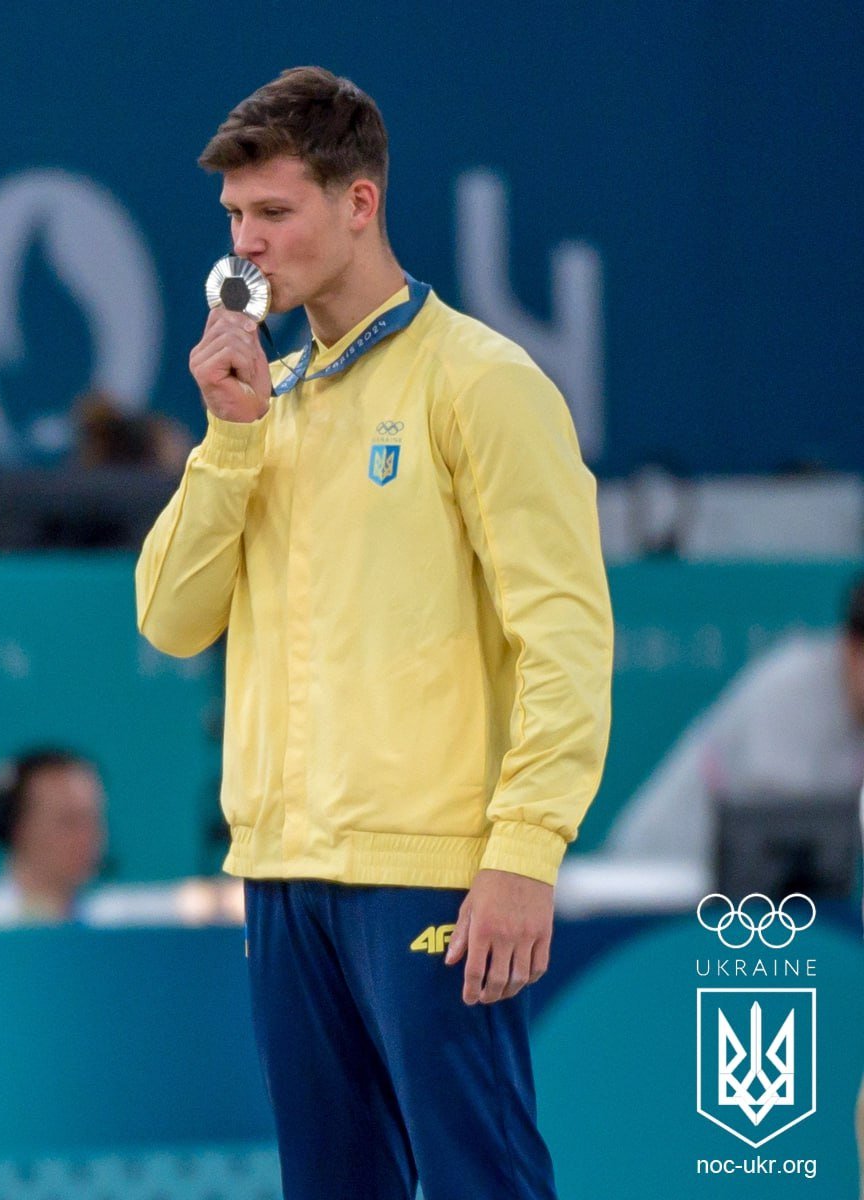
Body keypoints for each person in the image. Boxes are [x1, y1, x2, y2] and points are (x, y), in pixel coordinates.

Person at [135, 67, 612, 1200]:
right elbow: (170, 617)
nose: (247, 247)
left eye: (275, 213)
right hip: (283, 877)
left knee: (480, 1179)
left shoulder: (483, 385)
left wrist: (524, 854)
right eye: (235, 221)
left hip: (430, 877)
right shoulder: (268, 404)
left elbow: (567, 640)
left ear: (361, 203)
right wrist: (230, 438)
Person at [602, 576, 864, 872]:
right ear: (853, 649)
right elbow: (782, 842)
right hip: (651, 877)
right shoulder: (788, 688)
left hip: (732, 897)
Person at [0, 748, 108, 930]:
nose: (89, 836)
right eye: (68, 821)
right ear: (18, 829)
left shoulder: (122, 924)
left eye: (93, 818)